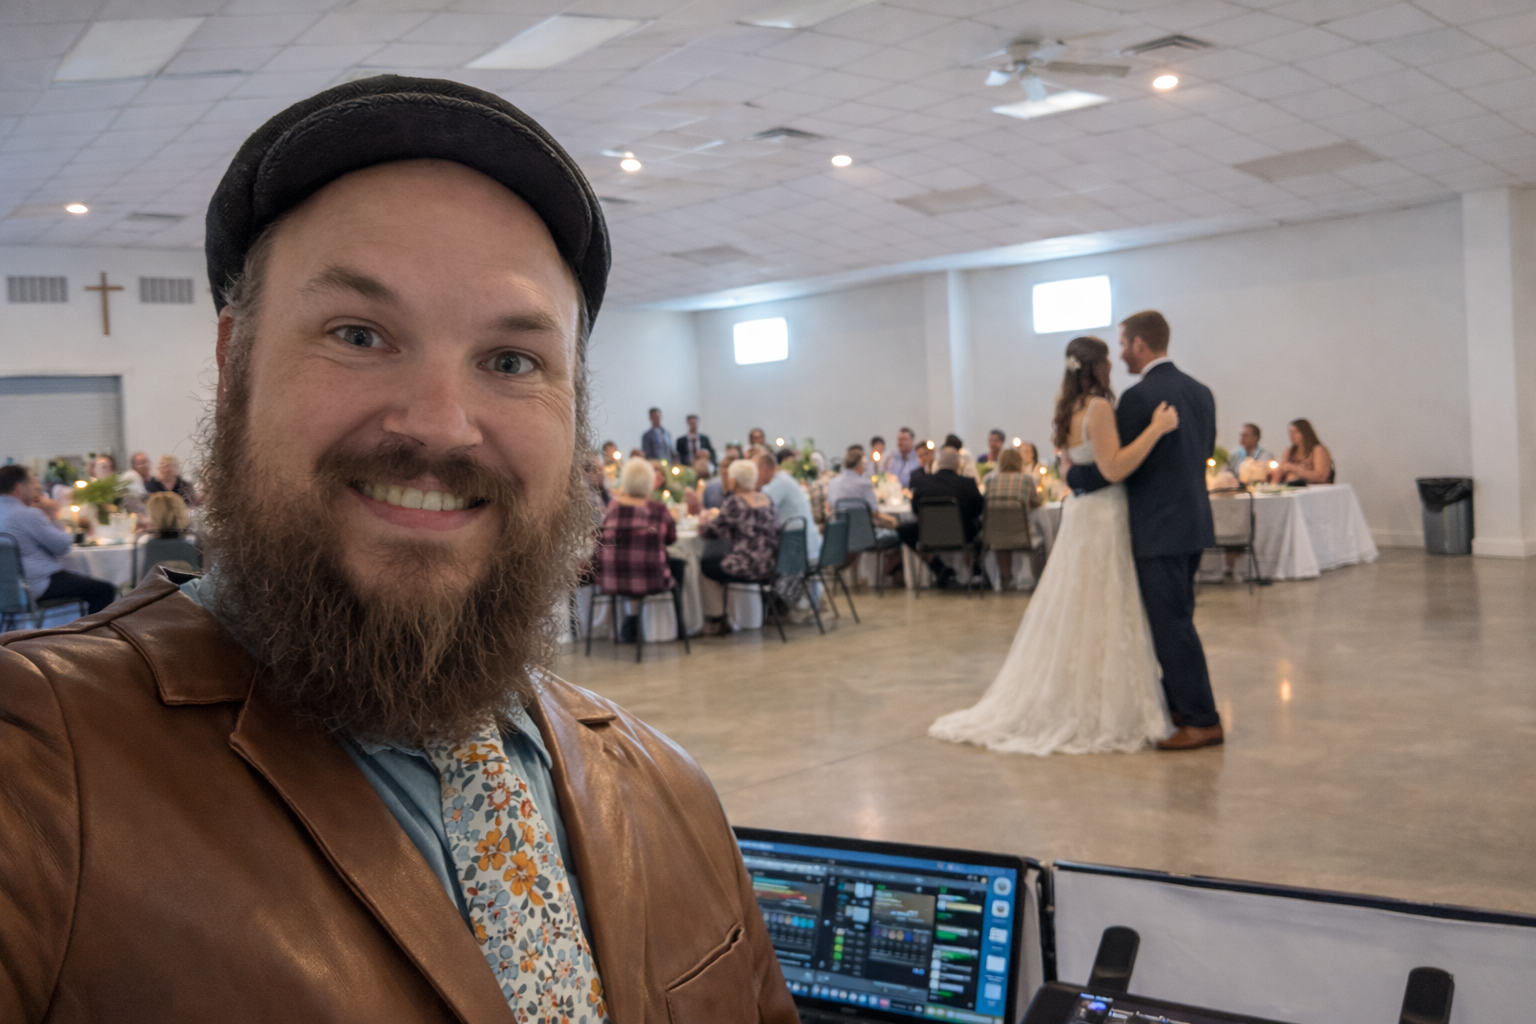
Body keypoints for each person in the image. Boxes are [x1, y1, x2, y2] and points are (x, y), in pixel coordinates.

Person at [0, 76, 796, 1022]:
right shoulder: (37, 771)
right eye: (361, 334)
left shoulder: (668, 792)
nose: (441, 427)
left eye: (511, 361)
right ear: (234, 362)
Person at [930, 332, 1184, 756]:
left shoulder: (1067, 408)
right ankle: (1103, 708)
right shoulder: (1099, 407)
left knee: (1082, 604)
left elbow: (1071, 469)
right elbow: (1115, 467)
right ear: (1099, 365)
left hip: (1084, 515)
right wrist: (1157, 429)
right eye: (1108, 358)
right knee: (1105, 602)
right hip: (1104, 514)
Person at [1057, 312, 1221, 749]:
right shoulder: (1201, 392)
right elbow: (1201, 455)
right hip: (1193, 524)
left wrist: (1072, 477)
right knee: (1178, 621)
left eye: (1125, 344)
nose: (1121, 354)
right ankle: (1180, 704)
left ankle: (1202, 719)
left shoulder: (1136, 398)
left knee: (1170, 627)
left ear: (1141, 345)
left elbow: (1115, 469)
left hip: (1156, 529)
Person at [0, 465, 118, 615]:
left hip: (6, 592)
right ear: (19, 487)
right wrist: (52, 513)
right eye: (31, 483)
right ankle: (94, 637)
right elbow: (62, 545)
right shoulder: (28, 515)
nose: (34, 489)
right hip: (37, 584)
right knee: (104, 590)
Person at [597, 458, 686, 643]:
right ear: (650, 482)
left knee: (630, 562)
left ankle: (632, 619)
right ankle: (679, 625)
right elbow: (671, 538)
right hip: (650, 579)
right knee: (678, 565)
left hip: (612, 579)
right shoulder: (658, 510)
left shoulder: (612, 509)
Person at [698, 458, 779, 635]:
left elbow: (712, 532)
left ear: (733, 480)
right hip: (768, 563)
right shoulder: (769, 500)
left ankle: (716, 619)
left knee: (706, 566)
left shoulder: (736, 502)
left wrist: (703, 521)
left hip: (747, 564)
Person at [898, 447, 984, 589]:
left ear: (937, 463)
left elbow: (915, 510)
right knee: (979, 525)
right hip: (962, 534)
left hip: (929, 533)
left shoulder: (923, 483)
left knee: (903, 530)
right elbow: (979, 509)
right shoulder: (967, 483)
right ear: (958, 464)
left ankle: (938, 567)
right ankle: (975, 571)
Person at [759, 450, 821, 562]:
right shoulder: (782, 479)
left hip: (799, 555)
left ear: (764, 470)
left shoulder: (779, 483)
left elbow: (760, 511)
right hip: (805, 549)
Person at [1270, 419, 1333, 485]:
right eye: (1290, 432)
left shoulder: (1318, 450)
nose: (1292, 436)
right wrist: (1273, 484)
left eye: (1295, 432)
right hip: (1292, 488)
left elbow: (1321, 477)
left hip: (1314, 489)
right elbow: (1279, 474)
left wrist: (1295, 470)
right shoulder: (1289, 452)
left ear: (1305, 433)